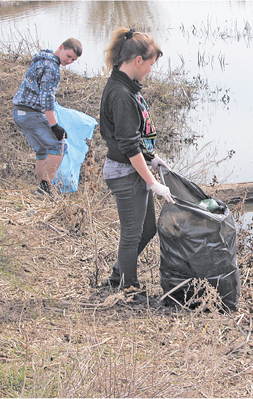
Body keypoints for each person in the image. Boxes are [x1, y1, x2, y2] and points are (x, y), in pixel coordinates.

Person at [99, 28, 174, 291]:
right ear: (138, 60)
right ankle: (128, 286)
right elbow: (129, 147)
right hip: (124, 173)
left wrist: (153, 158)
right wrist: (153, 182)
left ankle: (117, 275)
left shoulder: (128, 88)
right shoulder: (120, 94)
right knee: (132, 235)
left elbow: (136, 138)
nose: (151, 70)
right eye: (151, 64)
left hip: (133, 169)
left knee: (147, 230)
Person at [12, 38, 83, 195]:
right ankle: (44, 188)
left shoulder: (42, 59)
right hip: (31, 113)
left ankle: (40, 189)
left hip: (19, 112)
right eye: (69, 56)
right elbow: (46, 98)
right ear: (61, 47)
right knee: (60, 146)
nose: (69, 61)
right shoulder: (52, 67)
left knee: (42, 150)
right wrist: (54, 126)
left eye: (74, 60)